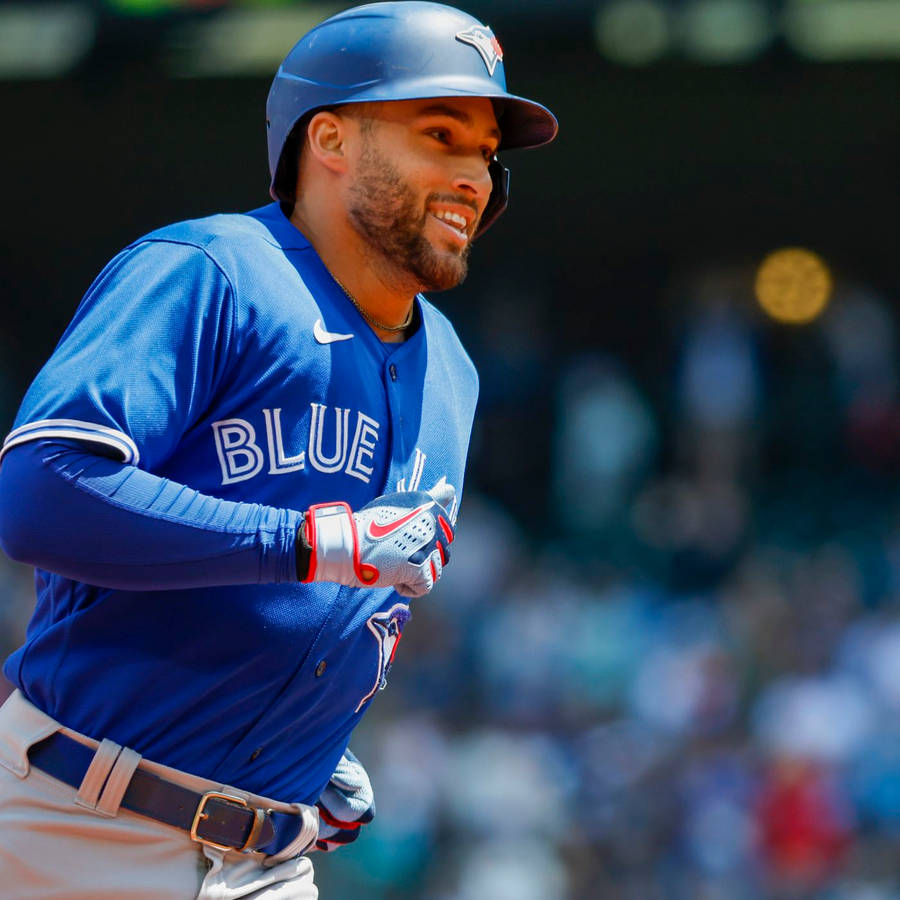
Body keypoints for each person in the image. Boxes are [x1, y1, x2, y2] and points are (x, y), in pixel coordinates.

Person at [0, 2, 557, 898]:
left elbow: (369, 598)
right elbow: (40, 491)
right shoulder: (211, 269)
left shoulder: (452, 369)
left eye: (486, 153)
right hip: (72, 829)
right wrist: (309, 543)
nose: (475, 176)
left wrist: (301, 734)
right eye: (442, 134)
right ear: (329, 138)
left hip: (269, 857)